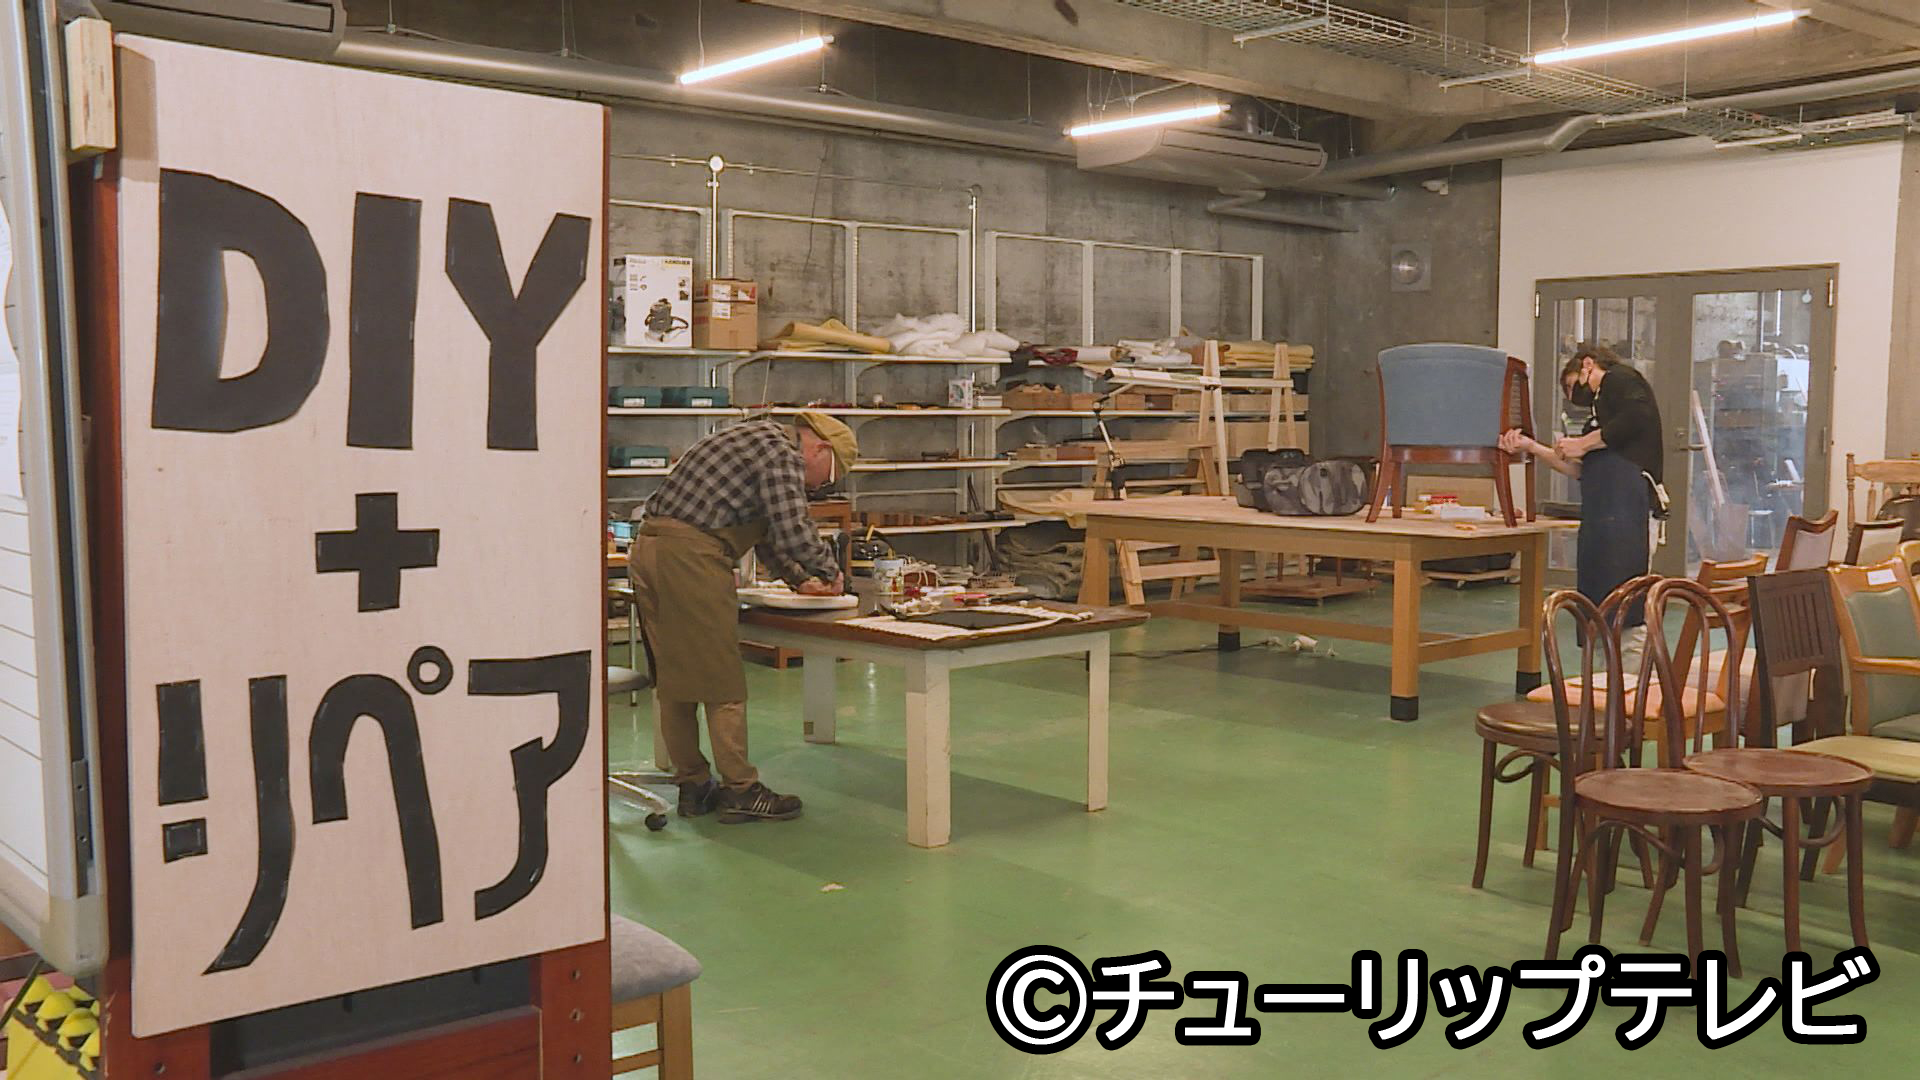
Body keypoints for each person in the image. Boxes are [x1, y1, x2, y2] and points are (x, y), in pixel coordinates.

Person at [629, 412, 857, 824]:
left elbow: (766, 533)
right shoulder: (783, 453)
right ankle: (740, 789)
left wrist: (799, 580)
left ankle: (693, 785)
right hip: (691, 556)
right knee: (722, 682)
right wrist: (830, 573)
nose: (817, 487)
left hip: (652, 549)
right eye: (827, 477)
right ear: (821, 448)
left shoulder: (757, 439)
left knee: (675, 678)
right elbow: (793, 528)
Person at [1499, 343, 1665, 660]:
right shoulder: (1602, 418)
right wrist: (1531, 447)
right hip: (1602, 517)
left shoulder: (1620, 379)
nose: (1573, 396)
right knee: (1598, 608)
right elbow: (1580, 471)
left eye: (1572, 385)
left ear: (1588, 364)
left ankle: (1633, 684)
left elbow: (1638, 415)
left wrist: (1583, 443)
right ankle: (1602, 682)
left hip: (1629, 515)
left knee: (1627, 607)